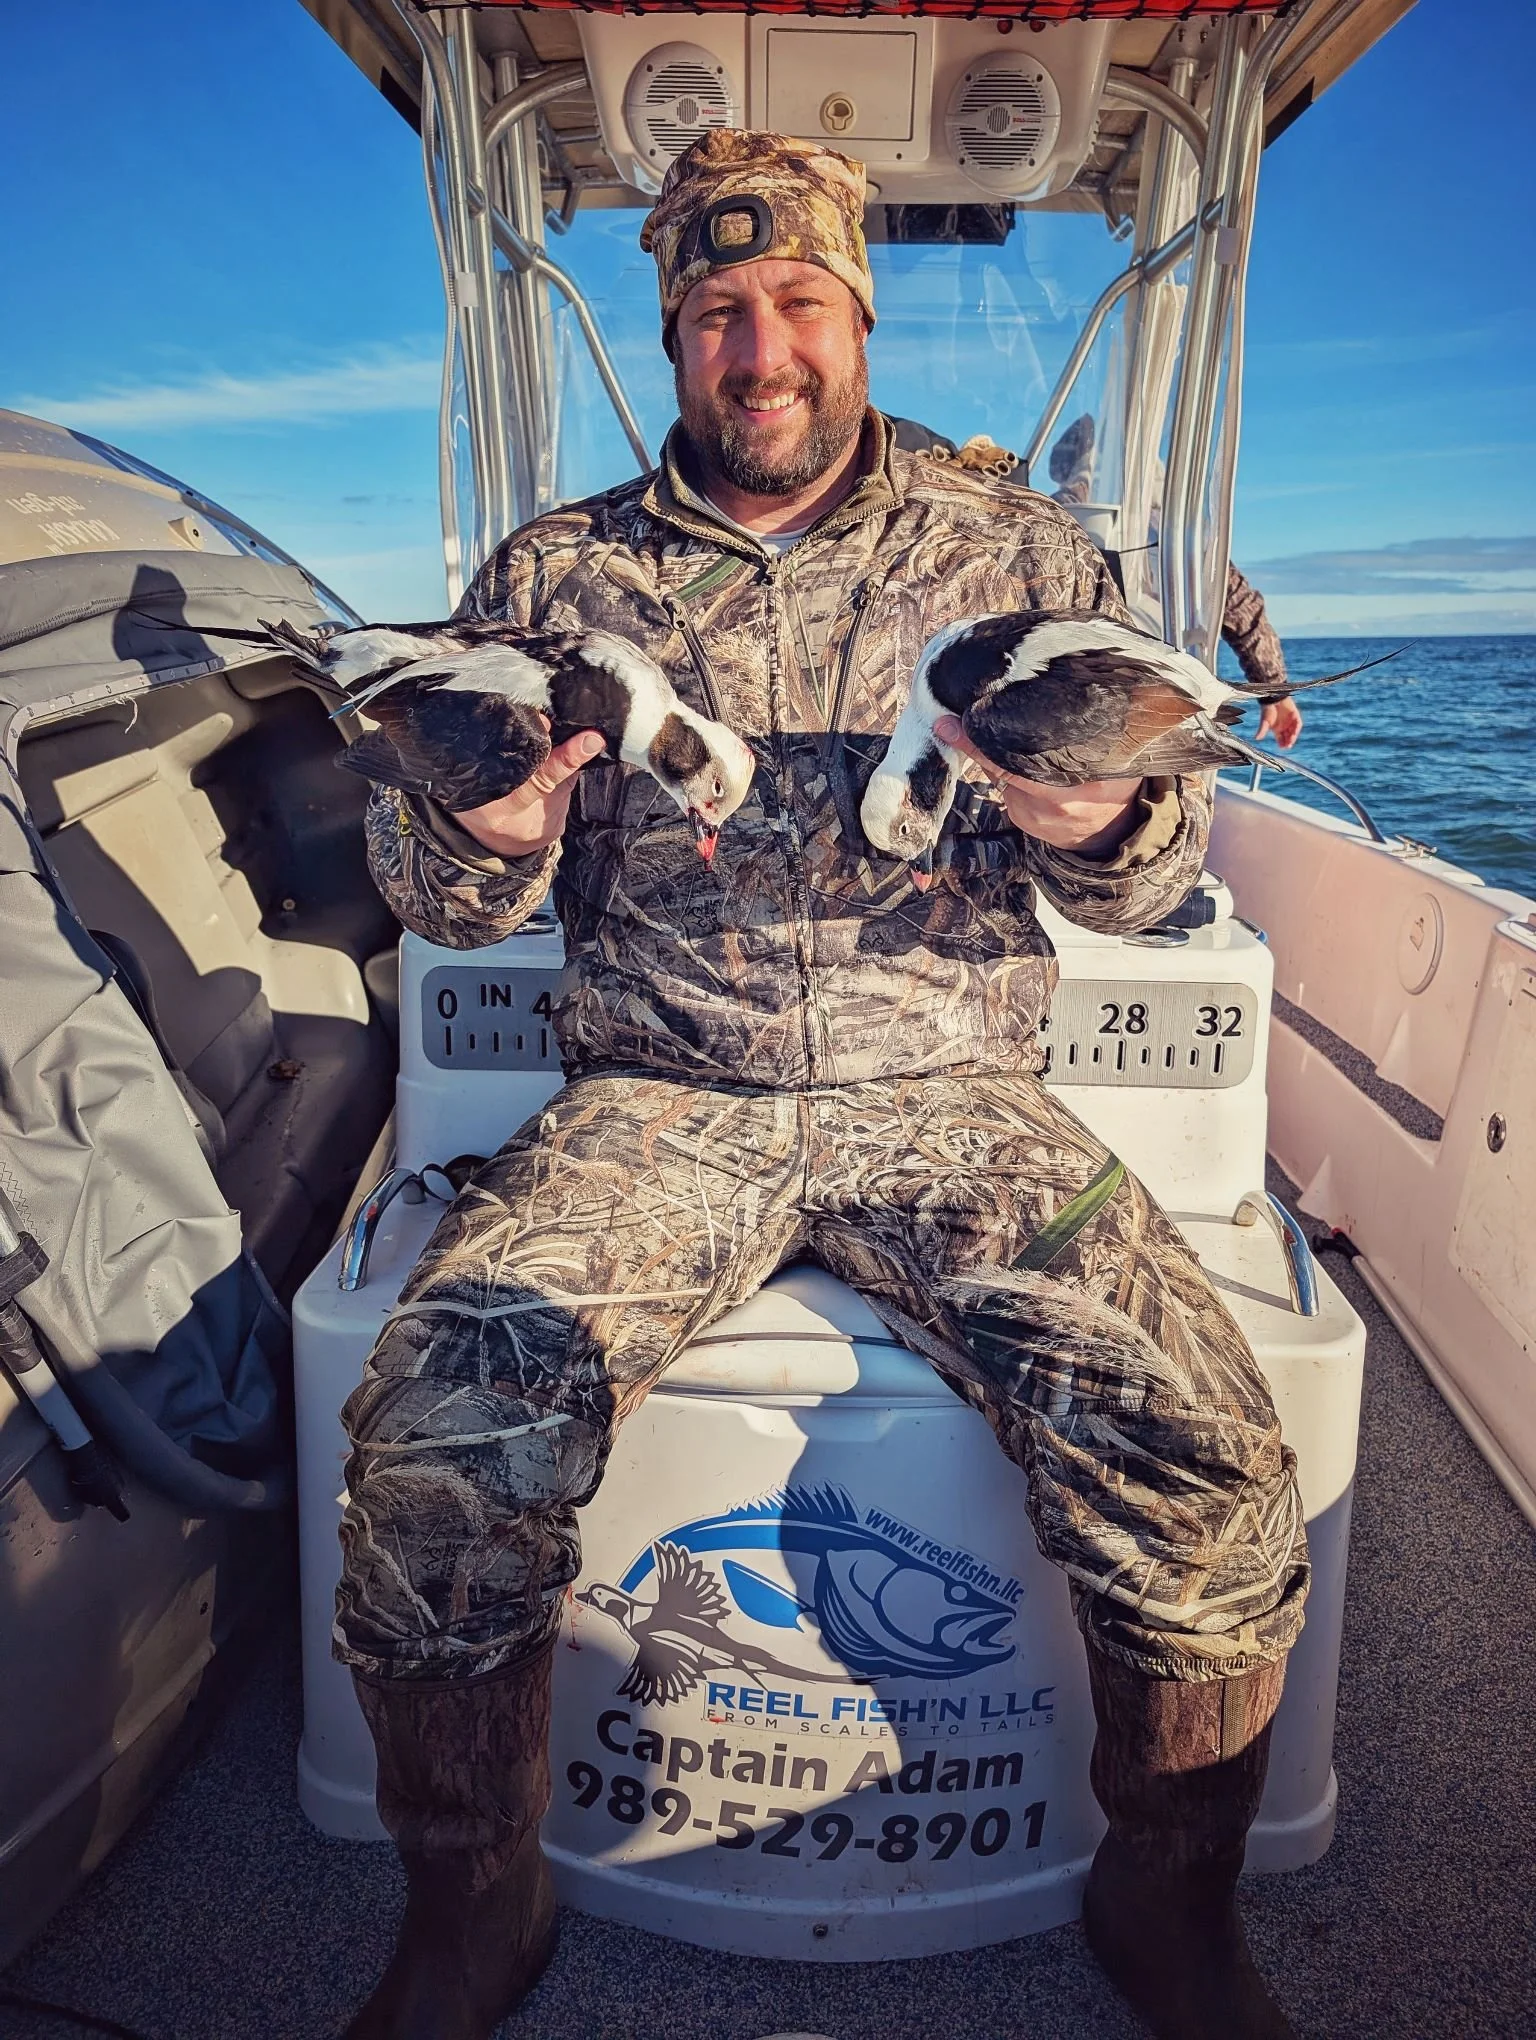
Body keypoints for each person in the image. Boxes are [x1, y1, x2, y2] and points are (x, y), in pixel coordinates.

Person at [334, 131, 1308, 2040]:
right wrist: (482, 820)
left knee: (1200, 1438)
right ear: (674, 332)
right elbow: (441, 893)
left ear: (855, 312)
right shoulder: (556, 568)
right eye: (712, 311)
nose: (754, 349)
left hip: (956, 1096)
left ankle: (1171, 1898)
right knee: (441, 1424)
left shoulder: (1019, 550)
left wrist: (1100, 810)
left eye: (793, 306)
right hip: (656, 1098)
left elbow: (1154, 874)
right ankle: (476, 1899)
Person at [1046, 414, 1304, 749]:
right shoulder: (1179, 533)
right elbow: (1240, 607)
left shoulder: (1045, 518)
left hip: (1063, 712)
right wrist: (1273, 692)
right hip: (1162, 707)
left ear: (1066, 466)